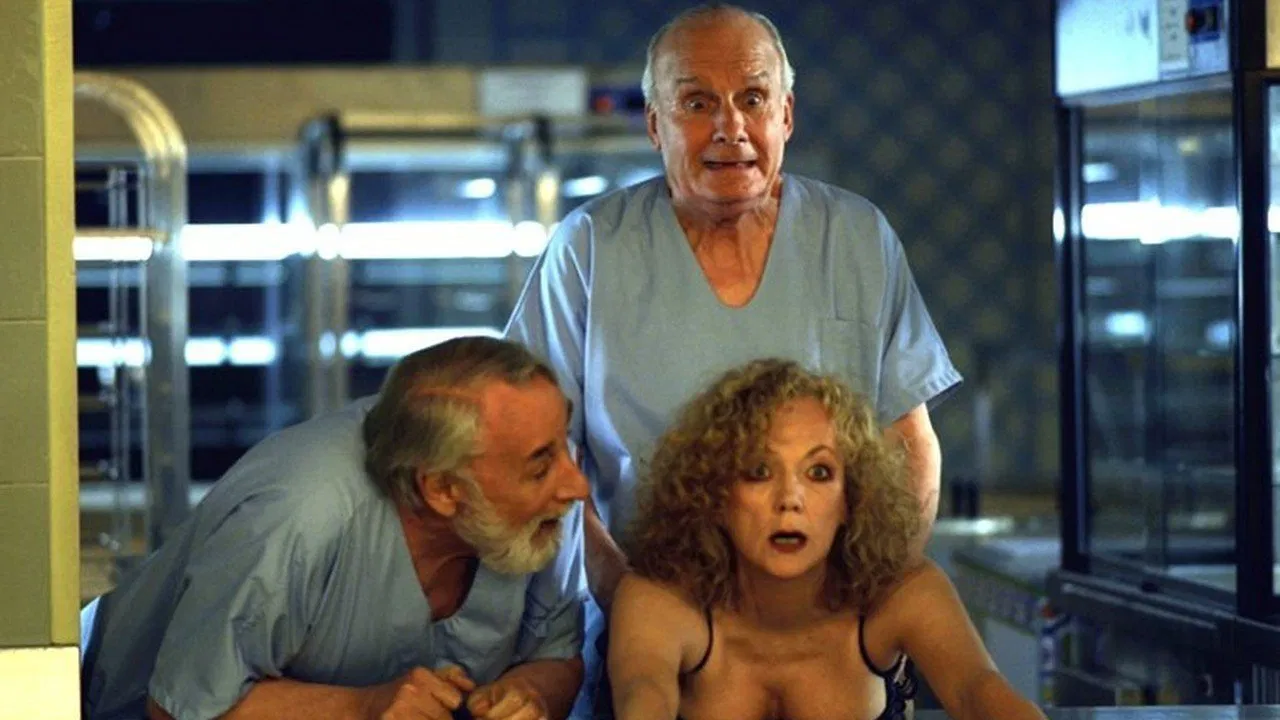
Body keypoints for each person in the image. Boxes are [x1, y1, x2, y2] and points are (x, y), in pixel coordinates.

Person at [503, 3, 961, 715]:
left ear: (786, 115)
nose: (730, 127)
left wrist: (872, 605)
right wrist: (635, 606)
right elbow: (539, 458)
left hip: (833, 643)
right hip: (652, 638)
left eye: (753, 98)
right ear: (654, 124)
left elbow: (909, 440)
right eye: (696, 103)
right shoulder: (590, 247)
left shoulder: (855, 237)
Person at [79, 336, 590, 720]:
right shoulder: (298, 515)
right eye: (541, 465)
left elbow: (557, 654)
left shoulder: (531, 524)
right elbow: (182, 709)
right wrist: (361, 708)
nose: (578, 486)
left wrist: (531, 693)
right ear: (441, 489)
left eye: (565, 445)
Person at [608, 359, 1043, 720]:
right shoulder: (660, 598)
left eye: (819, 473)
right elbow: (644, 697)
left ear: (850, 498)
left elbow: (978, 691)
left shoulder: (900, 592)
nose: (789, 499)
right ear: (716, 496)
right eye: (758, 471)